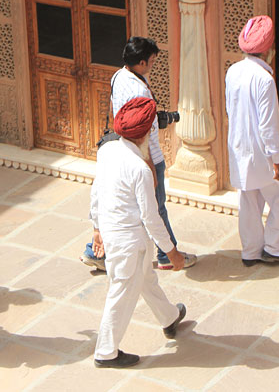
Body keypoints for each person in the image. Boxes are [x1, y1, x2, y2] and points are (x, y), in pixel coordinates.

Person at [81, 37, 197, 271]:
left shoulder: (119, 75)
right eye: (152, 61)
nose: (153, 64)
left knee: (118, 204)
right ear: (142, 63)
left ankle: (95, 251)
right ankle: (167, 254)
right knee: (155, 208)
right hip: (144, 154)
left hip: (123, 147)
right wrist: (151, 167)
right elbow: (147, 133)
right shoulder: (139, 90)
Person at [91, 97, 187, 368]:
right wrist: (172, 252)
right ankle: (106, 352)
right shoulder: (140, 169)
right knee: (121, 293)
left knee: (145, 278)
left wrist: (96, 226)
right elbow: (150, 217)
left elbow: (96, 190)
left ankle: (169, 318)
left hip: (118, 233)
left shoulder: (107, 151)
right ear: (145, 134)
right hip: (128, 242)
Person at [226, 16, 279, 266]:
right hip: (262, 152)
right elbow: (268, 125)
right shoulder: (264, 79)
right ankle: (276, 247)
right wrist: (277, 160)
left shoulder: (233, 71)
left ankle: (250, 252)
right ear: (269, 50)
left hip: (239, 147)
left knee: (249, 199)